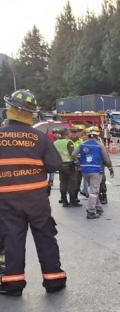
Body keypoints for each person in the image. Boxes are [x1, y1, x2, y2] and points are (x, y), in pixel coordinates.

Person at [0, 89, 66, 296]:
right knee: (45, 236)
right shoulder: (40, 138)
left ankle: (13, 284)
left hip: (6, 200)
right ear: (31, 113)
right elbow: (55, 164)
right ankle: (54, 280)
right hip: (37, 199)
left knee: (12, 238)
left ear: (10, 109)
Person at [72, 129, 114, 219]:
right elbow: (106, 159)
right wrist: (110, 168)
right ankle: (91, 211)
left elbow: (73, 154)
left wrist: (77, 162)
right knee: (94, 191)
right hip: (96, 170)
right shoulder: (99, 145)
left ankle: (98, 208)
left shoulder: (82, 144)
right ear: (97, 137)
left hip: (84, 171)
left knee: (93, 189)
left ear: (88, 136)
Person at [53, 128, 80, 207]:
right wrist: (77, 163)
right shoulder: (69, 142)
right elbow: (73, 154)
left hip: (60, 165)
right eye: (69, 133)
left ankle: (64, 201)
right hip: (69, 165)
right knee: (72, 183)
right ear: (66, 134)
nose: (70, 134)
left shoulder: (55, 143)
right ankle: (72, 201)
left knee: (63, 183)